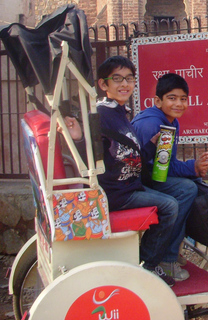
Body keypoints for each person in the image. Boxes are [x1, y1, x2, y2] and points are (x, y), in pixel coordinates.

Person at [64, 55, 179, 287]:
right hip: (118, 194)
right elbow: (88, 150)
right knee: (171, 206)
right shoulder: (101, 115)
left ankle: (161, 256)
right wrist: (77, 138)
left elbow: (127, 157)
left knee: (182, 191)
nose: (125, 84)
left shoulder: (121, 113)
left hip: (129, 186)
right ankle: (147, 265)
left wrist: (150, 146)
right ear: (103, 85)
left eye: (129, 79)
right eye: (117, 79)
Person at [131, 73, 208, 281]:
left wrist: (192, 170)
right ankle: (165, 258)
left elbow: (164, 165)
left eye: (183, 99)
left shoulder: (168, 120)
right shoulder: (155, 124)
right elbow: (160, 170)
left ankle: (173, 251)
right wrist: (192, 167)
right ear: (158, 101)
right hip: (136, 181)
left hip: (147, 175)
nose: (178, 103)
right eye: (172, 98)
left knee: (193, 183)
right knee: (187, 189)